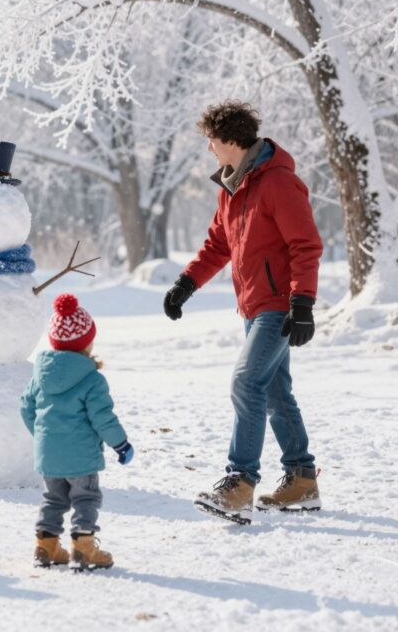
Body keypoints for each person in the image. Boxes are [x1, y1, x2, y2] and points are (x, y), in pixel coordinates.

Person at [164, 100, 323, 524]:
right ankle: (302, 479)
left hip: (278, 305)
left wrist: (302, 302)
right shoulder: (232, 188)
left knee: (246, 383)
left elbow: (305, 244)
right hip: (254, 306)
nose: (210, 150)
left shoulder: (278, 183)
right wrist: (186, 284)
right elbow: (219, 245)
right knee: (273, 392)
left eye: (213, 142)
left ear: (232, 140)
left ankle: (239, 482)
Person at [21, 294, 132, 571]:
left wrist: (45, 437)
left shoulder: (40, 375)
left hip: (49, 456)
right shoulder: (92, 379)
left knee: (53, 498)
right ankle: (84, 548)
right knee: (85, 498)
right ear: (87, 342)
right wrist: (121, 444)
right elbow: (102, 418)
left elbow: (26, 408)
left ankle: (45, 547)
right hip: (81, 457)